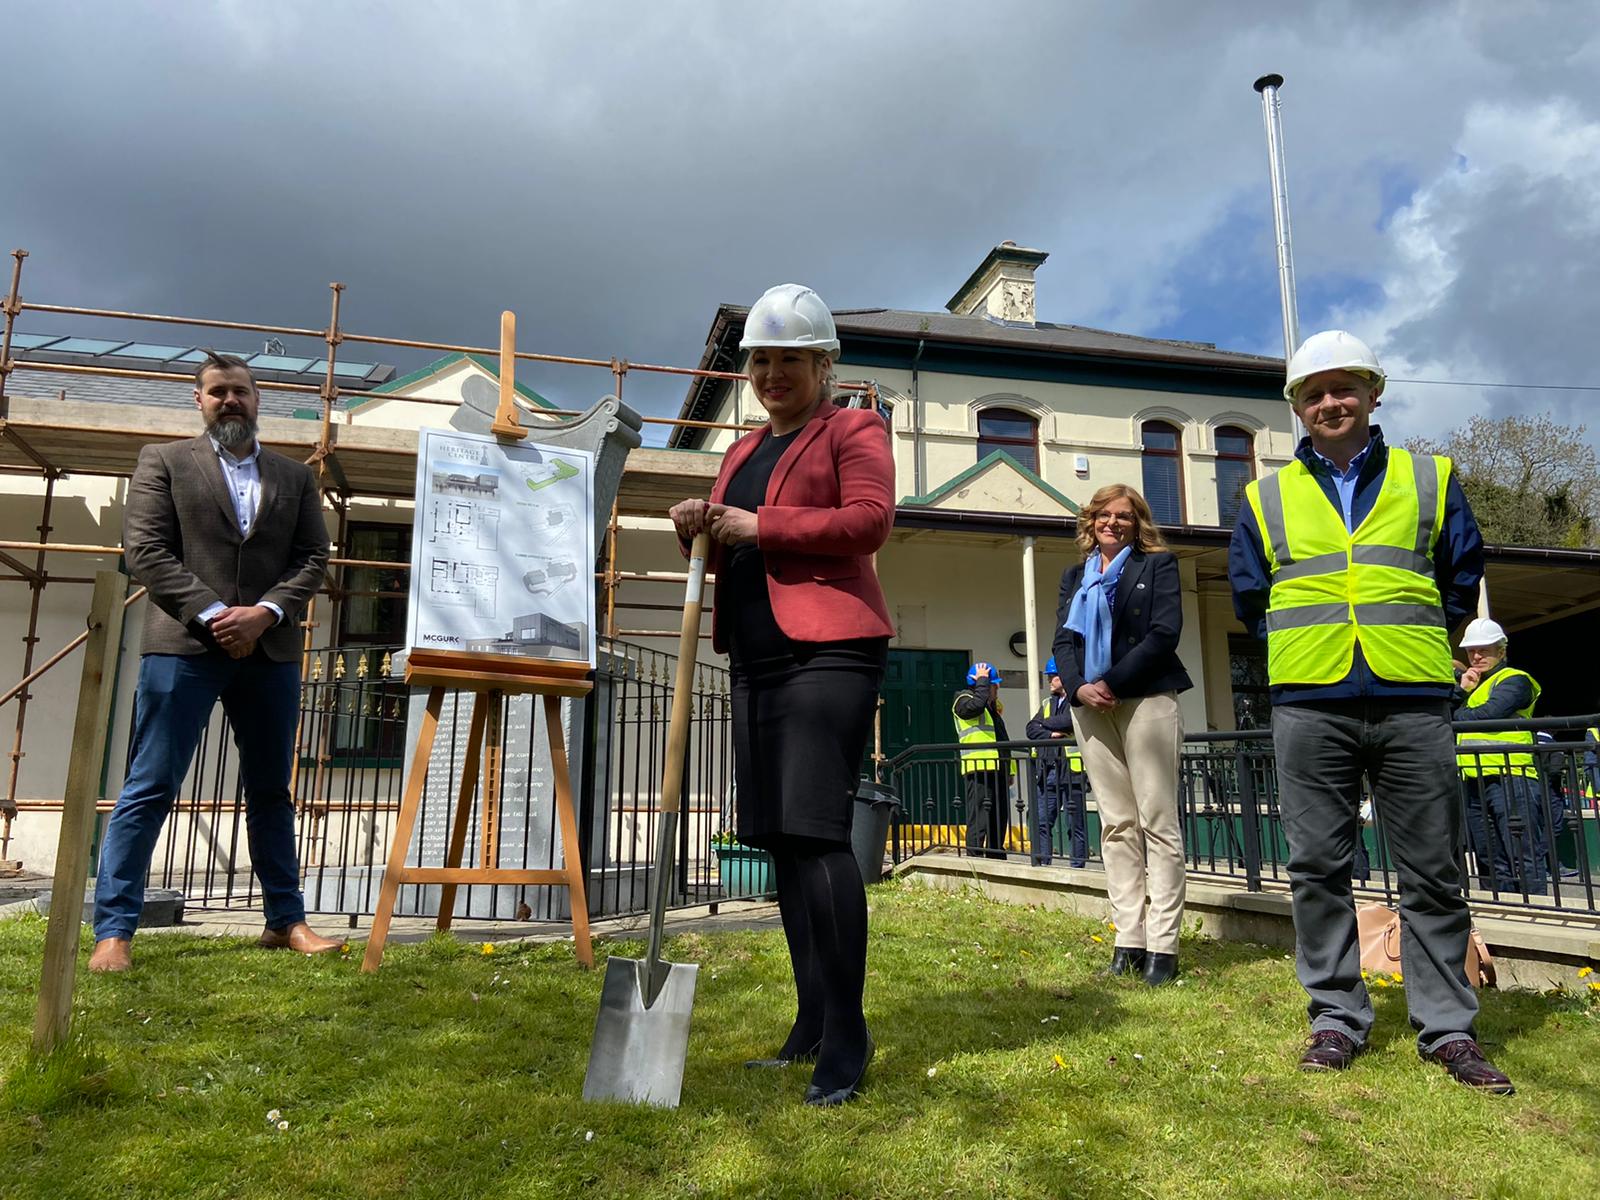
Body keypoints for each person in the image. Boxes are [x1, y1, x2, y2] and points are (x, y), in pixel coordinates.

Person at [1229, 329, 1513, 1094]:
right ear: (1297, 406)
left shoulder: (1432, 476)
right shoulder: (1263, 496)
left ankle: (1447, 1029)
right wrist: (1309, 655)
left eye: (1343, 387)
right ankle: (1335, 1017)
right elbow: (1253, 598)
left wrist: (1417, 641)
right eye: (1313, 393)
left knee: (1432, 871)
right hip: (1309, 701)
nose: (1330, 402)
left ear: (1372, 392)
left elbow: (1461, 574)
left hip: (1413, 698)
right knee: (1318, 868)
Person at [668, 283, 893, 1108]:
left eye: (789, 359)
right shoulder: (740, 451)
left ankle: (850, 1032)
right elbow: (727, 535)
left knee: (818, 832)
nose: (771, 373)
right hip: (756, 658)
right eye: (761, 359)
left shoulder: (853, 428)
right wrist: (699, 519)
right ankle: (811, 1022)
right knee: (780, 840)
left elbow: (869, 520)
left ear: (823, 364)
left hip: (829, 651)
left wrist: (760, 526)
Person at [89, 352, 341, 973]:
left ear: (259, 401)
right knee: (150, 785)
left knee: (270, 790)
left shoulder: (294, 476)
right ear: (198, 400)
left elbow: (314, 555)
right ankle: (114, 932)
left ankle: (286, 922)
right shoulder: (165, 462)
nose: (231, 400)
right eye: (218, 392)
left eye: (242, 392)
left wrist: (266, 613)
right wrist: (213, 613)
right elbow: (145, 550)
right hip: (184, 647)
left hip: (271, 650)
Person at [1053, 484, 1192, 986]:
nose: (1112, 523)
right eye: (1103, 515)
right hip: (1090, 708)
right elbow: (1063, 641)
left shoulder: (1158, 566)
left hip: (1147, 699)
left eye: (1124, 516)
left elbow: (1163, 634)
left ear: (1138, 523)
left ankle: (1163, 945)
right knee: (1115, 824)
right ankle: (1127, 938)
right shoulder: (1076, 576)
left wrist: (1111, 681)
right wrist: (1079, 688)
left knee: (1157, 821)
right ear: (1090, 522)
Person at [1452, 618, 1548, 896]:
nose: (1477, 656)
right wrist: (1461, 691)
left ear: (1502, 650)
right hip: (1474, 778)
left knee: (1523, 853)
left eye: (1485, 650)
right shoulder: (1473, 687)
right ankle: (1501, 908)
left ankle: (1538, 911)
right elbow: (1447, 715)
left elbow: (1487, 716)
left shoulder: (1516, 679)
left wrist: (1458, 714)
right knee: (1489, 858)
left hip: (1512, 775)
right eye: (1471, 651)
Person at [1025, 657, 1088, 868]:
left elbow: (1070, 721)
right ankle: (1043, 863)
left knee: (1075, 824)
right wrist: (1052, 733)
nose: (1050, 681)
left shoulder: (1078, 700)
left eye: (1053, 677)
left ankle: (1078, 867)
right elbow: (1031, 729)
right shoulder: (1047, 703)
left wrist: (1044, 724)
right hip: (1048, 770)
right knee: (1043, 821)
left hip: (1072, 772)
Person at [952, 663, 1014, 861]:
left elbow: (1002, 740)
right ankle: (975, 859)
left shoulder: (991, 708)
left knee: (999, 817)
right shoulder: (962, 699)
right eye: (994, 685)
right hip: (978, 768)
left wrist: (1009, 770)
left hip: (998, 770)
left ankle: (996, 856)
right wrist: (982, 681)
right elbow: (974, 707)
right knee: (979, 818)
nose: (997, 689)